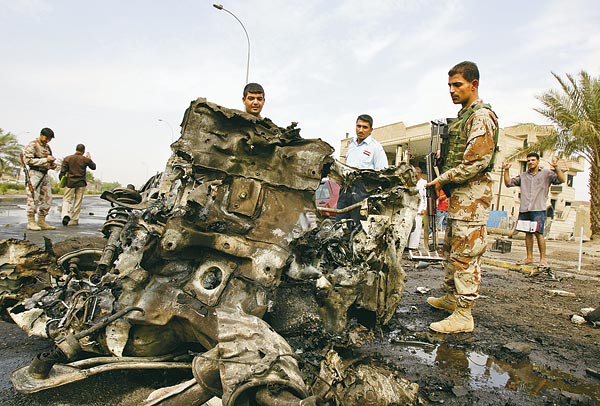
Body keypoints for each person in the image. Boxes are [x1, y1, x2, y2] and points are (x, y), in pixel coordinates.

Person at [425, 61, 499, 334]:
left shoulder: (482, 117)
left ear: (474, 84)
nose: (452, 91)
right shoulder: (464, 117)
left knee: (467, 254)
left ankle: (464, 313)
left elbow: (476, 162)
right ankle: (451, 297)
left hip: (472, 199)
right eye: (450, 86)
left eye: (458, 85)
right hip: (459, 198)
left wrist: (442, 179)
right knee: (452, 252)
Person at [503, 152, 566, 267]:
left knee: (538, 233)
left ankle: (543, 259)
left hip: (539, 209)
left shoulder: (546, 174)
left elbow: (562, 179)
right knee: (528, 233)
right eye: (528, 160)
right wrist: (506, 170)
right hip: (525, 209)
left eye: (533, 160)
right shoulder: (522, 176)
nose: (530, 162)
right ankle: (529, 257)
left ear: (538, 161)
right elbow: (508, 183)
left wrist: (556, 167)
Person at [335, 114, 388, 227]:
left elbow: (383, 174)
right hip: (345, 190)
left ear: (371, 130)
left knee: (357, 228)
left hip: (363, 193)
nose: (360, 130)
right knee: (339, 225)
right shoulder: (351, 144)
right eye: (358, 126)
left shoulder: (376, 148)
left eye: (365, 127)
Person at [23, 127, 58, 231]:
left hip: (44, 174)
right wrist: (44, 160)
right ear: (41, 135)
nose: (48, 140)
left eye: (50, 139)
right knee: (33, 197)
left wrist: (51, 165)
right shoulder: (33, 145)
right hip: (34, 173)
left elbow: (48, 160)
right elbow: (28, 161)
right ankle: (31, 221)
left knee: (48, 198)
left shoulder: (47, 147)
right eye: (47, 138)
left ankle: (42, 221)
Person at [59, 144, 97, 226]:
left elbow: (62, 172)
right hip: (81, 183)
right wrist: (89, 159)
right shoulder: (85, 159)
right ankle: (74, 220)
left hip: (70, 182)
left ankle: (65, 214)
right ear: (83, 151)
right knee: (77, 201)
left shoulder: (67, 158)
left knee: (67, 200)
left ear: (76, 149)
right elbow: (94, 167)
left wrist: (62, 181)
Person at [407, 167, 427, 250]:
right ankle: (406, 245)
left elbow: (425, 196)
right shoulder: (410, 182)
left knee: (417, 227)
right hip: (410, 206)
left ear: (419, 174)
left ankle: (413, 246)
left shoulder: (424, 183)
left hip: (420, 206)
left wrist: (424, 208)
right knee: (408, 226)